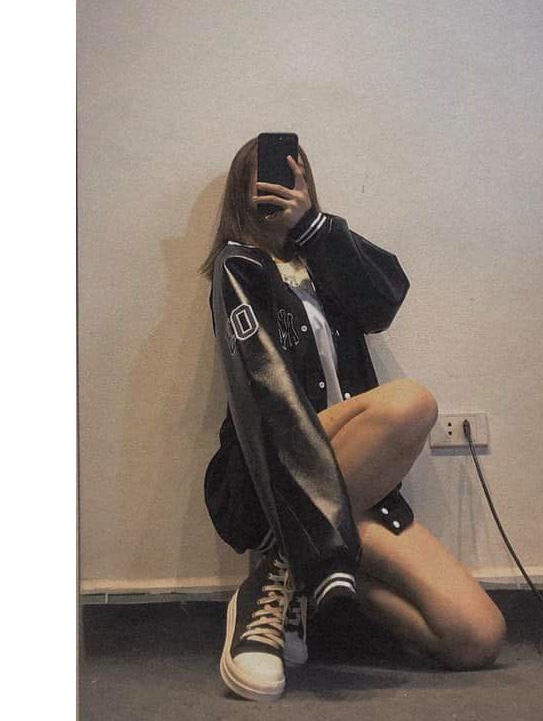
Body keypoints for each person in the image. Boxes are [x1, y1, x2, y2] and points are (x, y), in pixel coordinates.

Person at [200, 135, 506, 701]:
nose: (274, 190)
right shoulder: (238, 267)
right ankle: (283, 571)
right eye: (261, 181)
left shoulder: (325, 262)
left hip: (355, 489)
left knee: (477, 636)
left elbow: (384, 299)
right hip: (284, 473)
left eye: (287, 178)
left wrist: (313, 226)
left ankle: (296, 568)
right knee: (411, 403)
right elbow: (264, 388)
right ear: (241, 194)